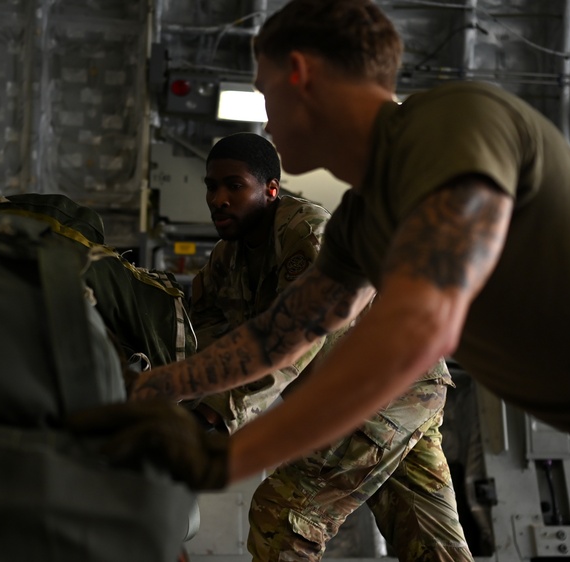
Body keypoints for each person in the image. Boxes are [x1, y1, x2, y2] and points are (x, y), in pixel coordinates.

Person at [70, 1, 570, 559]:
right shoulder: (363, 222)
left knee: (285, 515)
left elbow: (423, 324)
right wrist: (153, 391)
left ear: (299, 73)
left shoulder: (450, 121)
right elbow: (275, 338)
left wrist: (226, 459)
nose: (265, 113)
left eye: (263, 91)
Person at [183, 132, 470, 561]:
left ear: (271, 189)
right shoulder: (227, 263)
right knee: (429, 542)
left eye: (234, 185)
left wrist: (213, 412)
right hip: (394, 395)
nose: (218, 198)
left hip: (385, 392)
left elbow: (295, 339)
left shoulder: (307, 233)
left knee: (280, 516)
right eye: (211, 186)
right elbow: (200, 332)